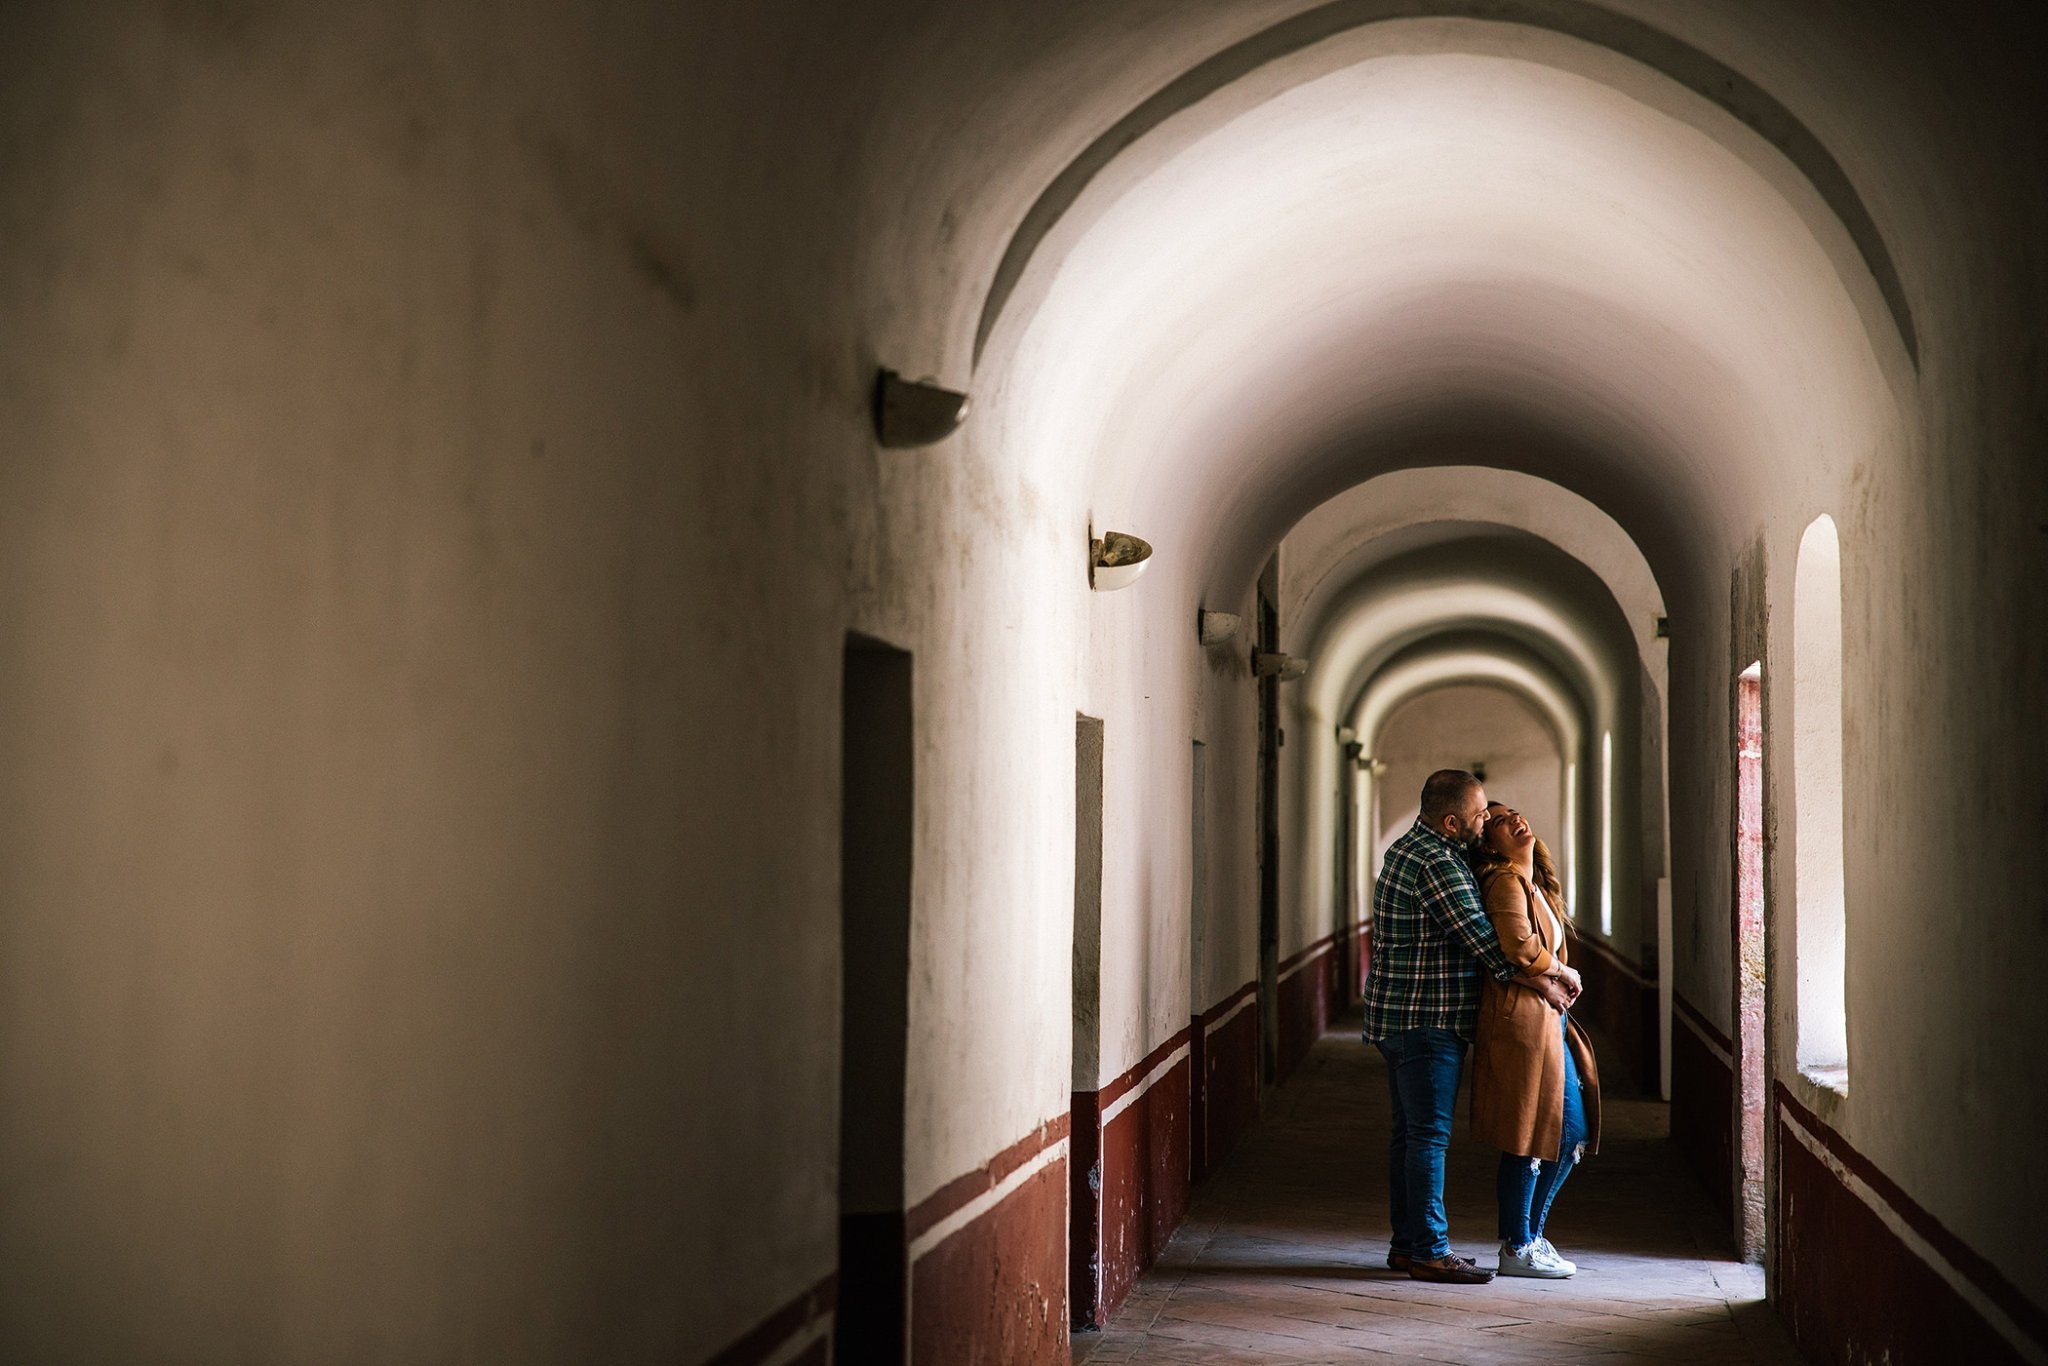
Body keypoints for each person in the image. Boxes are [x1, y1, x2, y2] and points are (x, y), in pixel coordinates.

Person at [1363, 770, 1580, 1284]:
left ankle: (1407, 1244)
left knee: (1409, 1136)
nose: (1487, 823)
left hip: (1399, 1018)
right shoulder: (1437, 862)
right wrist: (1549, 980)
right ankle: (1431, 1251)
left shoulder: (1408, 849)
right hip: (1425, 1019)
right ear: (1452, 819)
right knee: (1428, 1138)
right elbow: (1485, 940)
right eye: (1482, 815)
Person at [1469, 801, 1603, 1279]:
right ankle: (1518, 1243)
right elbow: (1518, 946)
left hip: (1545, 1019)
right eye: (1499, 819)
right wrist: (1563, 970)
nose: (1515, 818)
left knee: (1567, 1131)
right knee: (1530, 1132)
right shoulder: (1504, 880)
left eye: (1515, 812)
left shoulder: (1533, 883)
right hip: (1521, 1024)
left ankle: (1528, 1237)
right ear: (1488, 843)